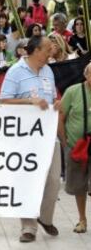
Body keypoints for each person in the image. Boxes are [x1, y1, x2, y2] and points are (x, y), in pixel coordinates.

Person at [0, 36, 61, 243]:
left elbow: (51, 99)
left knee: (53, 180)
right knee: (28, 180)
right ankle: (28, 227)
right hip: (25, 138)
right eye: (46, 49)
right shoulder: (15, 71)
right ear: (35, 51)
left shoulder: (48, 71)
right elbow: (4, 100)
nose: (50, 53)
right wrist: (29, 101)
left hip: (48, 137)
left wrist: (56, 105)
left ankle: (44, 217)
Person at [59, 63, 91, 234]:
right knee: (79, 185)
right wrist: (65, 142)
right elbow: (61, 115)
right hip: (77, 145)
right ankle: (82, 220)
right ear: (86, 75)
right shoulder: (73, 91)